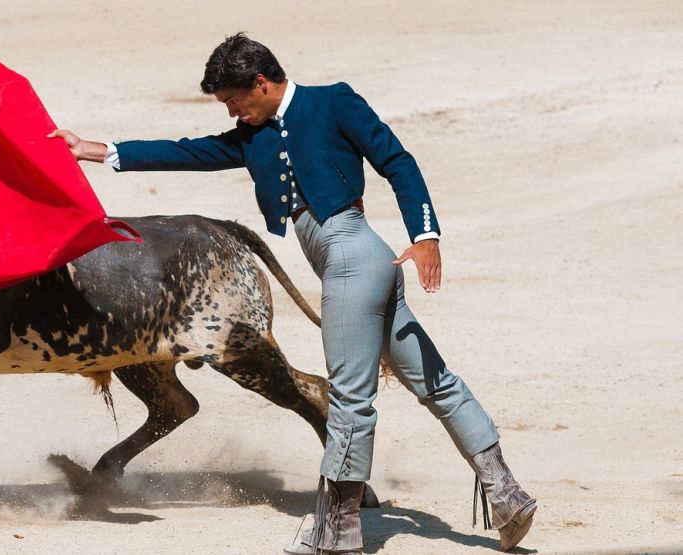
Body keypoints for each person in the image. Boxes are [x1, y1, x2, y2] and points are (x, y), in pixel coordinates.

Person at [49, 33, 536, 554]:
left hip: (353, 258)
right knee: (434, 382)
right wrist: (93, 151)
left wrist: (426, 237)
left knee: (351, 396)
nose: (232, 110)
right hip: (360, 264)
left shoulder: (333, 101)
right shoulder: (251, 135)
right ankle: (507, 493)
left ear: (260, 83)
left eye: (234, 98)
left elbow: (398, 161)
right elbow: (186, 151)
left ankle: (338, 531)